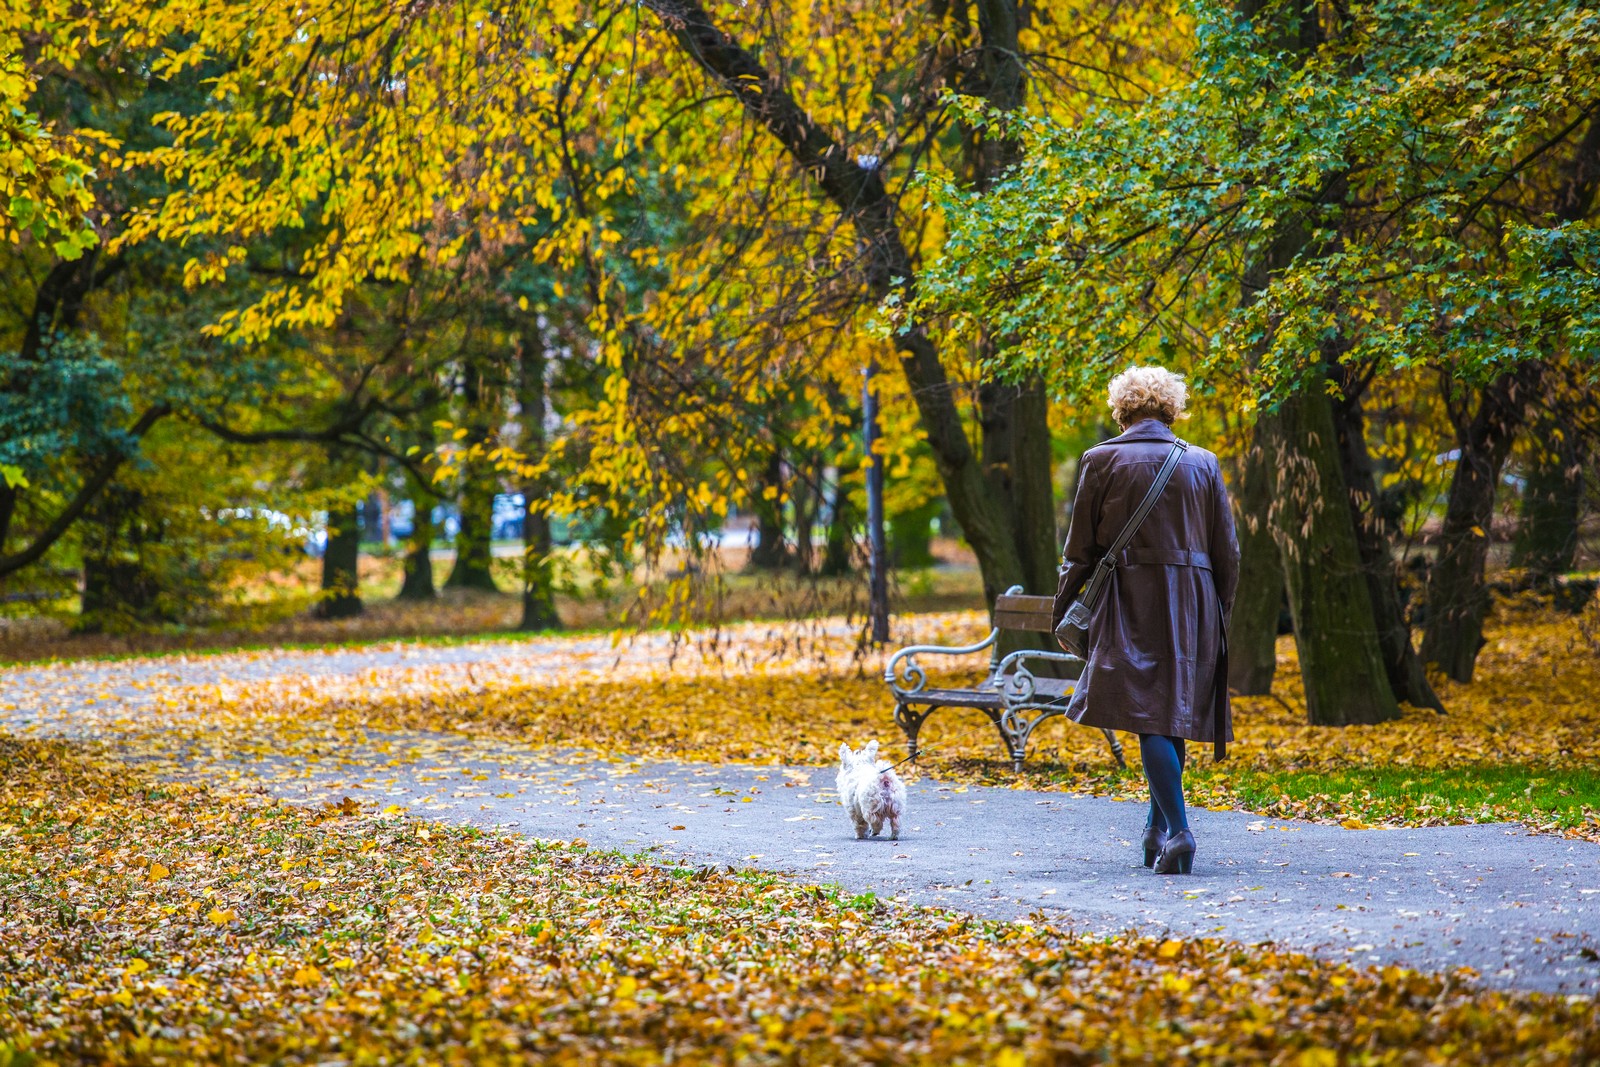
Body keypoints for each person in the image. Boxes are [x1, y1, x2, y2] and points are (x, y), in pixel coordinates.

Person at [1052, 366, 1239, 875]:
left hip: (1130, 599)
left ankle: (1179, 832)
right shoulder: (1203, 462)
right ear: (1171, 408)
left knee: (1146, 711)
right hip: (1194, 602)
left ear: (1123, 409)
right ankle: (1155, 831)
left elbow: (1079, 551)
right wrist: (1219, 613)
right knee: (1167, 711)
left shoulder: (1101, 460)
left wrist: (1064, 610)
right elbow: (1228, 551)